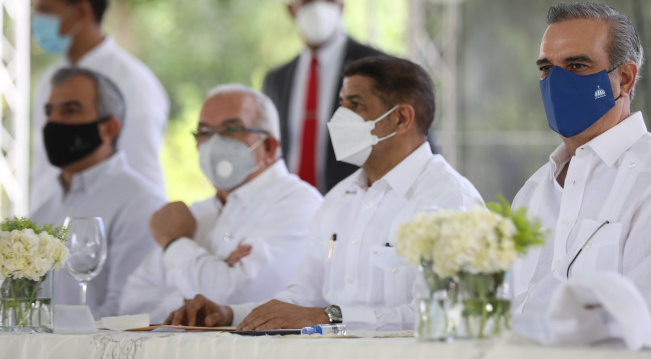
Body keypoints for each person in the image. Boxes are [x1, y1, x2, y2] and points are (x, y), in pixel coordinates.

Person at [165, 56, 482, 331]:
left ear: (401, 118)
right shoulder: (338, 200)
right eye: (341, 103)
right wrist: (228, 314)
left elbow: (445, 312)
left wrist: (329, 318)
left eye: (355, 104)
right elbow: (301, 298)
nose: (339, 117)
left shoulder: (449, 200)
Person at [510, 2, 651, 327]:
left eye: (576, 65)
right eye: (546, 68)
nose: (555, 82)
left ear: (625, 78)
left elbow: (648, 329)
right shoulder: (532, 192)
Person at [119, 85, 322, 323]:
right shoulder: (198, 214)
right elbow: (133, 304)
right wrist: (194, 297)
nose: (214, 142)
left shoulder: (297, 204)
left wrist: (176, 244)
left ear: (269, 146)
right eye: (204, 131)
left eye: (231, 129)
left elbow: (238, 298)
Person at [30, 0, 169, 214]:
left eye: (45, 9)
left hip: (107, 234)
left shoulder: (131, 83)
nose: (36, 20)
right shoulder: (50, 78)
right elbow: (44, 173)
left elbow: (144, 184)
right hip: (50, 228)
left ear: (82, 10)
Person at [31, 67, 165, 318]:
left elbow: (128, 311)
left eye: (70, 111)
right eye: (49, 112)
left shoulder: (141, 203)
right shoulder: (45, 209)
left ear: (109, 128)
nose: (54, 123)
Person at [263, 0, 384, 194]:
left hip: (357, 203)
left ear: (341, 6)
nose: (319, 8)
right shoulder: (277, 80)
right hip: (292, 205)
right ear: (291, 9)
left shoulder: (377, 66)